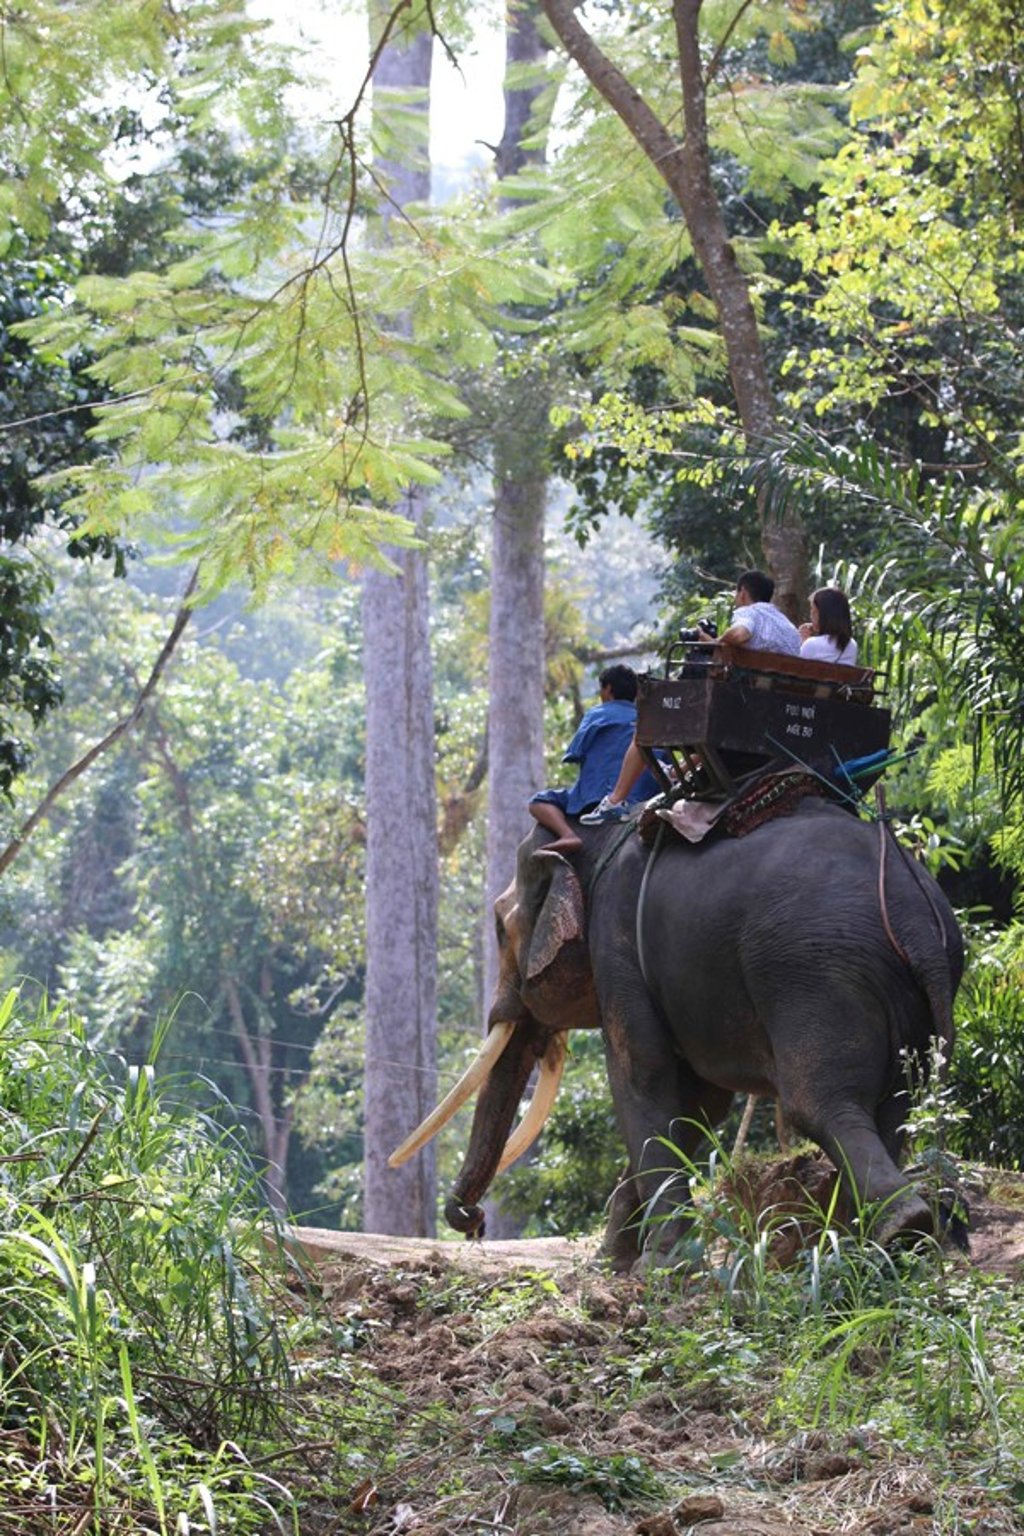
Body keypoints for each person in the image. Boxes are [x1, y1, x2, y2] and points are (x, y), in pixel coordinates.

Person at [582, 569, 801, 824]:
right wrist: (714, 644)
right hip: (775, 713)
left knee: (646, 729)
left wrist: (720, 640)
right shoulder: (787, 626)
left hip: (738, 712)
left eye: (736, 593)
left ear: (743, 592)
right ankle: (677, 772)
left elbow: (741, 634)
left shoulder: (749, 613)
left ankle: (614, 801)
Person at [528, 664, 662, 854]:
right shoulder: (650, 720)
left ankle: (568, 835)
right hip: (650, 795)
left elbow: (575, 753)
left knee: (539, 801)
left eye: (601, 689)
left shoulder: (598, 713)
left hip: (600, 795)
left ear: (608, 689)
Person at [799, 586, 858, 665]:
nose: (810, 617)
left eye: (813, 612)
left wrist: (803, 643)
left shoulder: (811, 644)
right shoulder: (851, 645)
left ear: (823, 615)